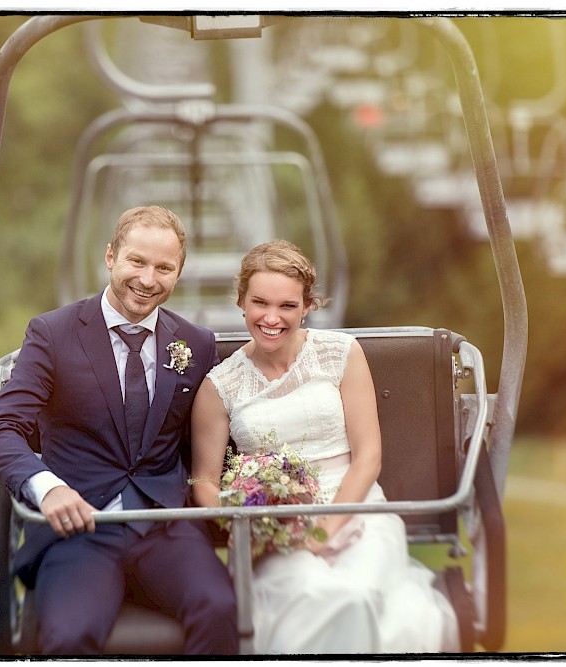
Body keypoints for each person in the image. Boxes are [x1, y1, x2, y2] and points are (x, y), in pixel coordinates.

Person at [0, 206, 238, 655]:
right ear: (111, 256)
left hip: (165, 527)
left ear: (179, 272)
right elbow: (0, 427)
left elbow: (218, 437)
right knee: (70, 635)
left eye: (164, 267)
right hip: (80, 530)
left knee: (219, 608)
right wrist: (47, 489)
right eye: (136, 261)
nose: (148, 279)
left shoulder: (196, 344)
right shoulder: (53, 333)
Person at [190, 240, 459, 654]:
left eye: (288, 306)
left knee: (362, 594)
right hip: (277, 529)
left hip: (358, 510)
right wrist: (251, 523)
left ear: (307, 306)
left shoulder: (340, 353)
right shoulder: (219, 386)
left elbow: (368, 456)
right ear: (241, 300)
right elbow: (205, 479)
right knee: (324, 597)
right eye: (260, 302)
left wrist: (326, 529)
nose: (272, 318)